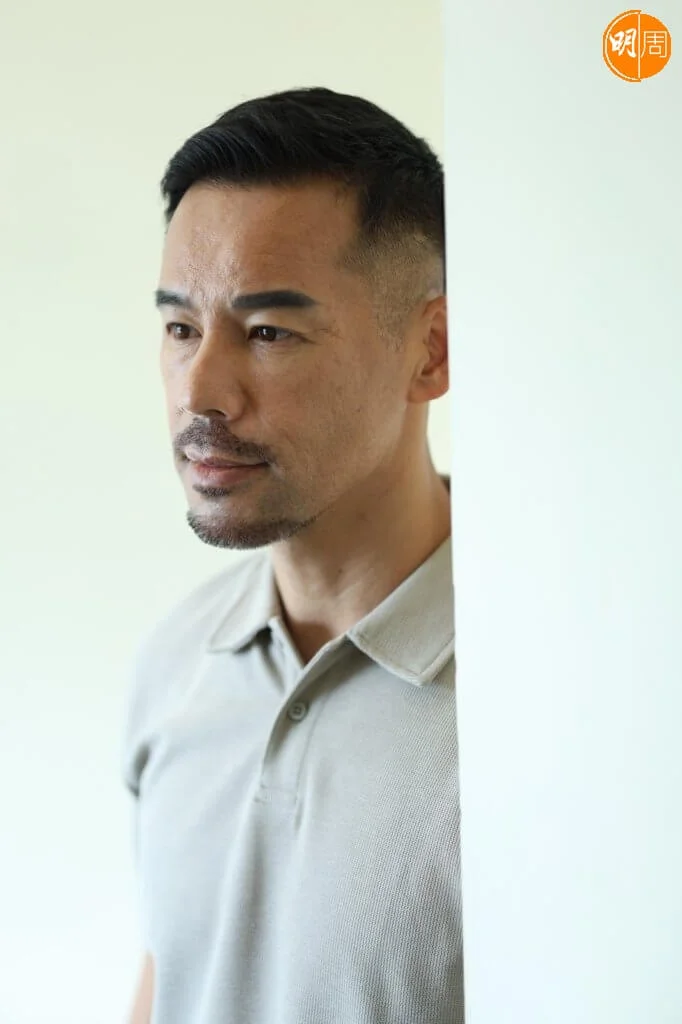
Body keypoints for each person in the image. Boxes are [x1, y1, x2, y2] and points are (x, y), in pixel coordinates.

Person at [122, 85, 461, 1024]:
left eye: (268, 332)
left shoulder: (557, 695)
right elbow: (177, 979)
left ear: (431, 351)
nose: (201, 391)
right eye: (181, 328)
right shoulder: (174, 664)